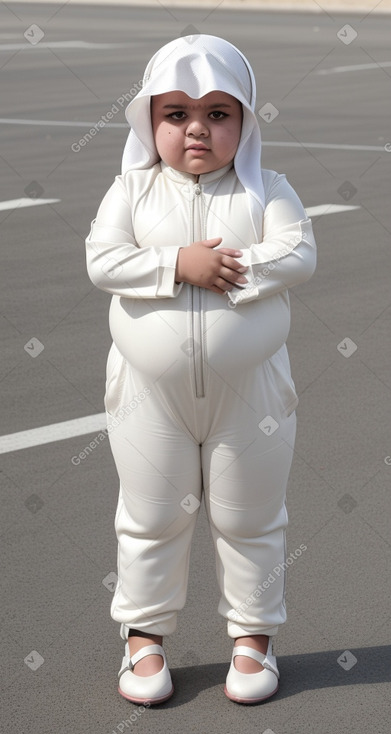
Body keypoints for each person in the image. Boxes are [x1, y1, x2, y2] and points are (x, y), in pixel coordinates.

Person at [85, 34, 316, 706]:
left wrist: (231, 267)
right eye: (176, 113)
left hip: (253, 396)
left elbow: (296, 252)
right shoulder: (130, 190)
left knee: (250, 517)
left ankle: (252, 637)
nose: (196, 130)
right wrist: (173, 266)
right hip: (145, 397)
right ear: (147, 120)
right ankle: (143, 637)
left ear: (244, 122)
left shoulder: (267, 189)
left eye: (218, 113)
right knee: (151, 515)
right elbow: (103, 260)